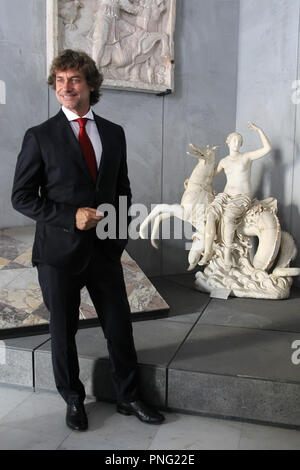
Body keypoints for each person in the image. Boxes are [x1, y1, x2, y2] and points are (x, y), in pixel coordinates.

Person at [11, 49, 164, 431]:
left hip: (105, 252)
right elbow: (22, 196)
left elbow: (122, 189)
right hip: (57, 253)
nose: (66, 87)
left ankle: (129, 396)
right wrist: (69, 216)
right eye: (60, 80)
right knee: (62, 332)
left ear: (90, 85)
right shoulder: (40, 136)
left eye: (74, 79)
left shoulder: (113, 133)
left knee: (119, 326)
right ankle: (74, 399)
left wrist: (118, 237)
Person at [199, 121, 272, 269]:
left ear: (241, 144)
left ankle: (227, 254)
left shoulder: (246, 157)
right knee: (211, 215)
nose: (236, 143)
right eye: (233, 140)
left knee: (228, 217)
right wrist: (205, 161)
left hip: (241, 197)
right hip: (225, 196)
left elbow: (267, 148)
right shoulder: (224, 161)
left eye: (239, 141)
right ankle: (207, 251)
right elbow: (210, 176)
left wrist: (259, 130)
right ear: (228, 142)